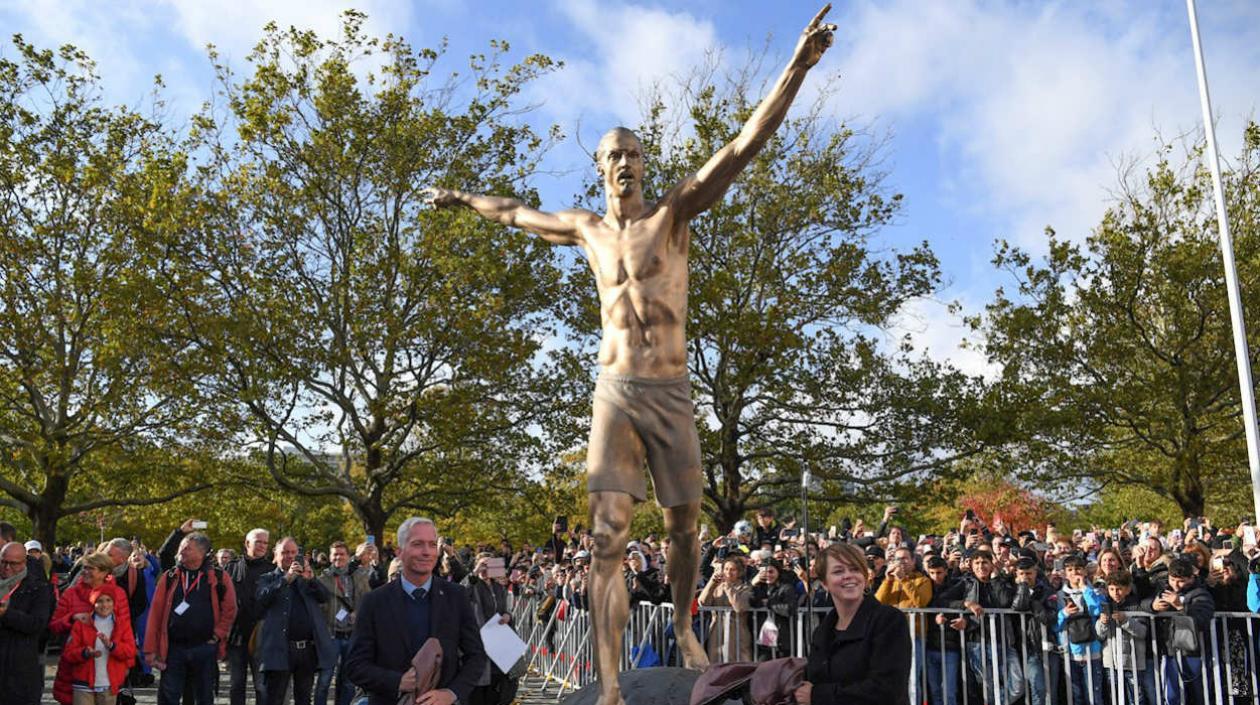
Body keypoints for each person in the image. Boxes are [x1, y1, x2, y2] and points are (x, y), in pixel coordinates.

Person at [426, 7, 838, 704]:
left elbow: (743, 144)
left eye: (632, 153)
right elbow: (516, 212)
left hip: (671, 389)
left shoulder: (673, 212)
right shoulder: (586, 230)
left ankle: (682, 625)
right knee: (607, 532)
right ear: (599, 168)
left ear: (645, 164)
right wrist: (462, 195)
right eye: (612, 154)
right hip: (615, 388)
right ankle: (611, 679)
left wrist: (796, 67)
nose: (623, 162)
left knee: (683, 526)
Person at [344, 517, 488, 705]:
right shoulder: (374, 601)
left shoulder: (456, 597)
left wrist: (451, 693)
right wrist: (397, 681)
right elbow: (355, 666)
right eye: (417, 544)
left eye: (431, 544)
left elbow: (476, 656)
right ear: (400, 551)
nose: (426, 552)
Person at [794, 542, 911, 705]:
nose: (848, 575)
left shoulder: (888, 620)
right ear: (824, 583)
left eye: (855, 569)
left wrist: (818, 696)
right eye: (838, 571)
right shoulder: (823, 631)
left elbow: (887, 690)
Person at [143, 530, 238, 705]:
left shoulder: (218, 577)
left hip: (204, 647)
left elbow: (230, 609)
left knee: (202, 697)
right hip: (173, 648)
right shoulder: (170, 576)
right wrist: (150, 649)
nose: (181, 552)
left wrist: (217, 634)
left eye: (187, 548)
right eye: (181, 547)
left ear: (202, 553)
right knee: (168, 696)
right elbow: (155, 613)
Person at [256, 538, 335, 705]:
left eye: (293, 553)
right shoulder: (267, 578)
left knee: (304, 698)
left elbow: (325, 597)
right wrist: (286, 579)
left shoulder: (305, 579)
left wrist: (312, 579)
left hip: (306, 650)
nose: (289, 556)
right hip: (278, 649)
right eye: (284, 552)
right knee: (274, 698)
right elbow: (261, 599)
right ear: (275, 555)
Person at [51, 552, 133, 705]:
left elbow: (125, 630)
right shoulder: (71, 593)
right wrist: (72, 618)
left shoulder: (118, 594)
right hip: (76, 666)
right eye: (84, 568)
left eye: (90, 568)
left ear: (104, 572)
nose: (85, 572)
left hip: (108, 667)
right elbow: (54, 626)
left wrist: (127, 664)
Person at [1149, 557, 1214, 705]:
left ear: (1191, 578)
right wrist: (1153, 606)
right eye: (1172, 580)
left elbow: (1202, 618)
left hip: (1195, 652)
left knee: (1200, 695)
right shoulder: (1164, 590)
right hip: (1170, 651)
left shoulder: (1201, 593)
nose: (1176, 585)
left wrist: (1181, 606)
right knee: (1172, 697)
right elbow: (1142, 603)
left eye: (1181, 581)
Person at [61, 590, 138, 705]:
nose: (105, 605)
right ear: (93, 603)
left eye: (108, 600)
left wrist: (112, 646)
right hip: (83, 684)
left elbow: (130, 651)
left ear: (114, 603)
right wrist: (85, 653)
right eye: (100, 601)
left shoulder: (122, 624)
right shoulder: (81, 623)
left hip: (109, 684)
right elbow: (68, 653)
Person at [316, 541, 369, 705]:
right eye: (335, 554)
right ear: (330, 557)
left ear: (348, 556)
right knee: (324, 680)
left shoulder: (359, 577)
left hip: (352, 635)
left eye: (342, 554)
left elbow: (368, 601)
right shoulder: (323, 578)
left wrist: (358, 613)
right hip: (331, 634)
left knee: (348, 681)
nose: (338, 557)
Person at [0, 541, 53, 705]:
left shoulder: (38, 588)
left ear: (24, 563)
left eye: (13, 563)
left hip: (20, 668)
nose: (7, 568)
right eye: (3, 562)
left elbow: (37, 624)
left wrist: (6, 614)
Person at [464, 554, 518, 705]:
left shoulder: (498, 587)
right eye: (483, 565)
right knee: (481, 683)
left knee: (499, 682)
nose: (486, 569)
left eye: (489, 565)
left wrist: (507, 615)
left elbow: (504, 610)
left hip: (498, 641)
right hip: (479, 640)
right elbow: (462, 592)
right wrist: (475, 572)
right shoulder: (473, 585)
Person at [226, 528, 272, 705]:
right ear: (247, 544)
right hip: (236, 637)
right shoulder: (230, 568)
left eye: (265, 543)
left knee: (262, 686)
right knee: (236, 685)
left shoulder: (272, 570)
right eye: (258, 541)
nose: (262, 546)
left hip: (262, 638)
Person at [698, 556, 752, 663]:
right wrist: (712, 583)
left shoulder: (745, 588)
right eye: (726, 569)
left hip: (737, 632)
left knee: (736, 664)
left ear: (739, 572)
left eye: (733, 570)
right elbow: (702, 603)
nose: (728, 572)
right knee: (715, 663)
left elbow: (739, 607)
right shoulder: (717, 587)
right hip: (717, 631)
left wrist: (728, 586)